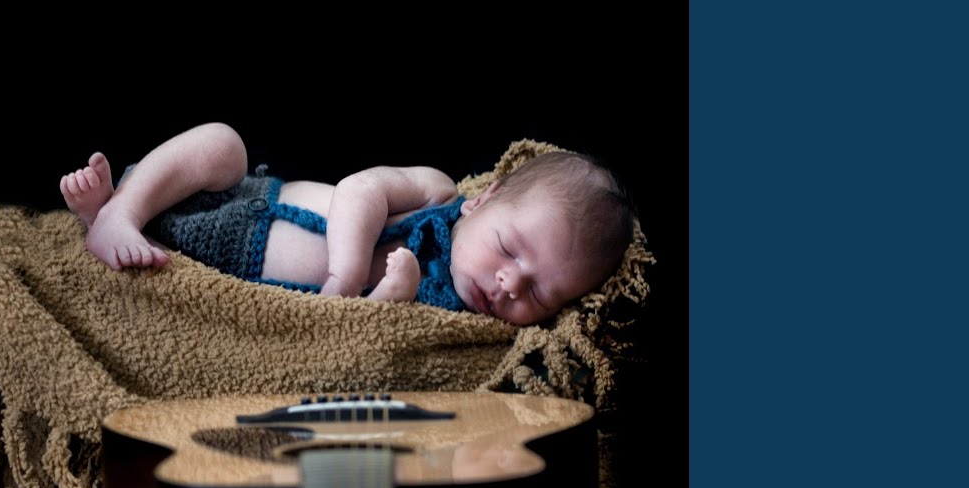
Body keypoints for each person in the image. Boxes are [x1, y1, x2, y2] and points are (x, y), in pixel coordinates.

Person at [60, 122, 632, 326]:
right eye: (508, 248)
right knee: (222, 144)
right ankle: (122, 211)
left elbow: (362, 337)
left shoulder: (457, 320)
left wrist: (388, 297)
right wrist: (349, 275)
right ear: (485, 200)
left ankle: (118, 223)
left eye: (541, 294)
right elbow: (361, 189)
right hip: (240, 203)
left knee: (160, 272)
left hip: (209, 268)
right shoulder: (438, 193)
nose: (509, 284)